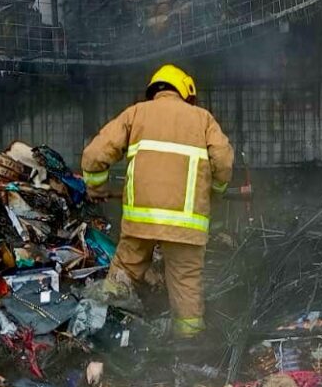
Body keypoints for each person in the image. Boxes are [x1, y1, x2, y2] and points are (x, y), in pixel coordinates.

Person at [80, 64, 234, 337]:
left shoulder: (136, 113)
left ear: (155, 89)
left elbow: (94, 155)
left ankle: (104, 333)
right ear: (186, 89)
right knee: (186, 285)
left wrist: (97, 187)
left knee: (123, 273)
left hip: (142, 222)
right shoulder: (203, 119)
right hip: (186, 227)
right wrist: (216, 191)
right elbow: (223, 160)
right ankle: (189, 348)